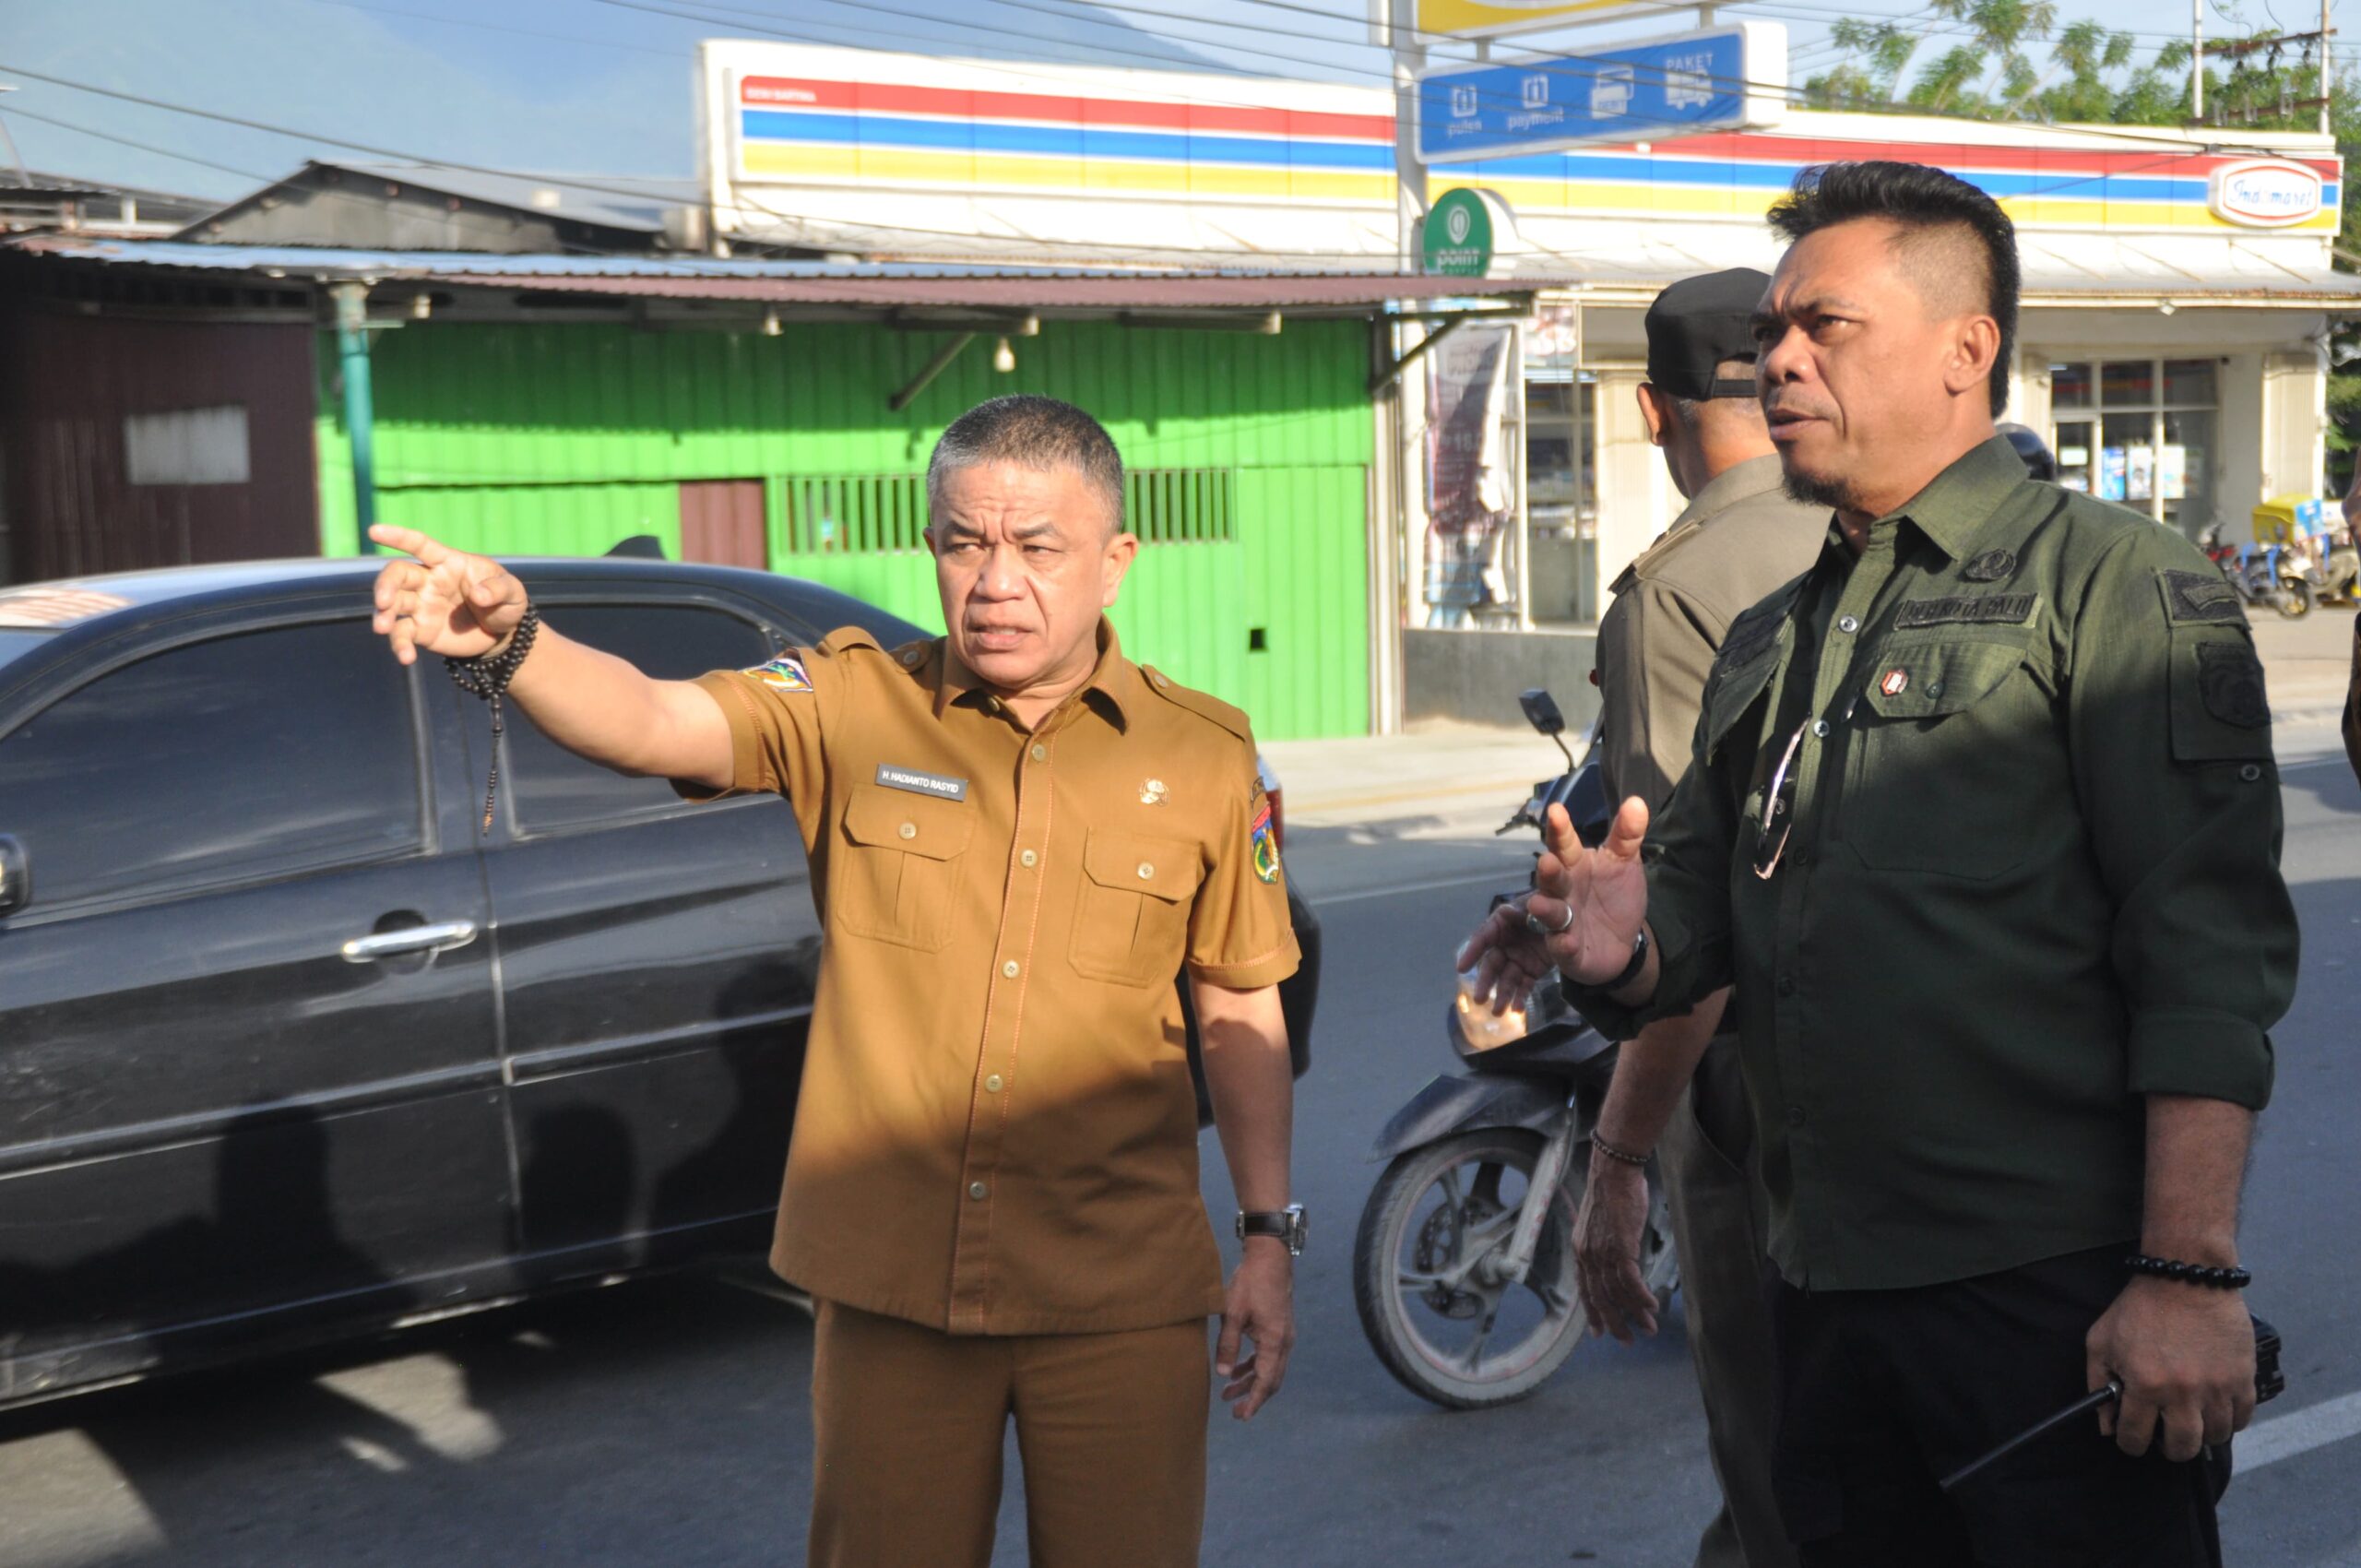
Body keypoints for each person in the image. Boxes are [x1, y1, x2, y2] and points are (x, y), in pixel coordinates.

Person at [1462, 161, 2296, 1566]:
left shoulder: (2114, 583)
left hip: (2046, 1293)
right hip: (1824, 1290)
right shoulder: (1776, 634)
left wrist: (2185, 1271)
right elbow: (1702, 915)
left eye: (1823, 326)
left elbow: (2205, 953)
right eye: (1770, 332)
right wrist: (1623, 945)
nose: (1777, 360)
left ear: (1967, 348)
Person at [368, 395, 1303, 1568]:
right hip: (892, 1287)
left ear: (1114, 560)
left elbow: (1236, 1002)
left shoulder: (1203, 753)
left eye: (1037, 547)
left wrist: (1268, 1235)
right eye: (964, 543)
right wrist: (516, 644)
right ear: (932, 547)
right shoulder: (853, 703)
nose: (995, 582)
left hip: (1120, 1292)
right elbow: (654, 719)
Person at [1576, 267, 1824, 1568]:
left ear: (1648, 408)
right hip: (1929, 1090)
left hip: (1748, 1097)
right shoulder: (1878, 533)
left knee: (1776, 1463)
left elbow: (1690, 915)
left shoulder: (1675, 592)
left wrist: (1620, 1155)